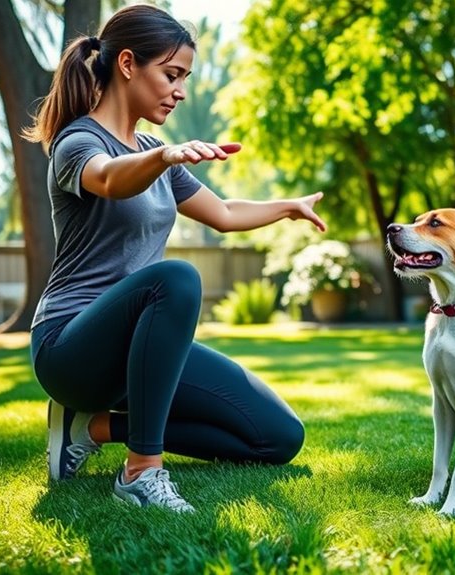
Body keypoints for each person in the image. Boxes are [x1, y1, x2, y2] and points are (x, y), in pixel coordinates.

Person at [23, 4, 326, 513]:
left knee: (278, 437)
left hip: (137, 354)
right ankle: (142, 470)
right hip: (70, 347)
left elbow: (225, 212)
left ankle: (93, 427)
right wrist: (162, 156)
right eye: (171, 74)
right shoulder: (79, 140)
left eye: (184, 77)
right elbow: (110, 178)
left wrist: (287, 208)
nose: (180, 90)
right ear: (126, 64)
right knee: (176, 279)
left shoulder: (152, 149)